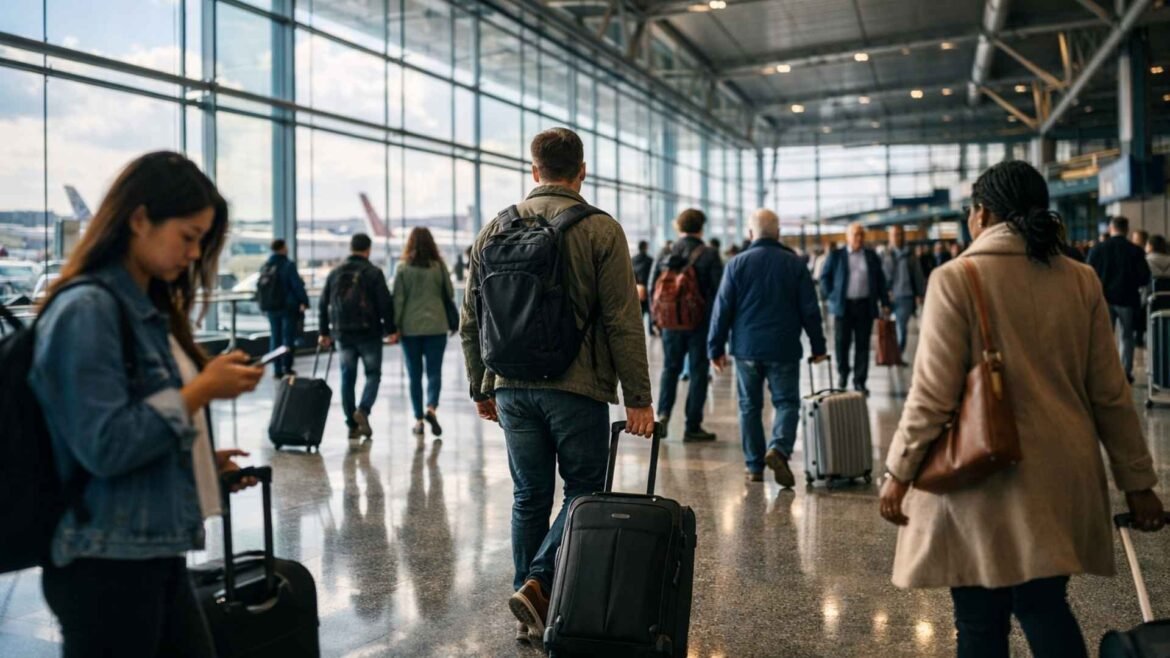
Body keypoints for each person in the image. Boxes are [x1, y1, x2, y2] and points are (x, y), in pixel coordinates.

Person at [879, 160, 1164, 658]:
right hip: (1060, 476)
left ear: (982, 214)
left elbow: (931, 396)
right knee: (1044, 608)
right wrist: (1138, 483)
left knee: (980, 623)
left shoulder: (956, 278)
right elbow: (1111, 395)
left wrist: (898, 472)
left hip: (981, 476)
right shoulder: (1079, 279)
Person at [28, 151, 263, 656]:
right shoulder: (87, 310)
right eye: (188, 236)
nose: (194, 255)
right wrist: (201, 390)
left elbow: (136, 432)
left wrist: (198, 468)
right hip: (106, 565)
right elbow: (105, 445)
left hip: (151, 552)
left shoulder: (145, 311)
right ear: (139, 220)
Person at [460, 127, 654, 644]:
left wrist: (482, 386)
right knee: (584, 492)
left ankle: (528, 613)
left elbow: (471, 318)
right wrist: (638, 398)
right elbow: (621, 320)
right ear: (582, 171)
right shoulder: (600, 230)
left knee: (529, 495)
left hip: (510, 387)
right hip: (577, 385)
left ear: (534, 169)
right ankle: (540, 583)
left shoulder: (492, 230)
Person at [708, 209, 828, 486]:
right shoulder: (795, 264)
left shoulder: (736, 264)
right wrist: (818, 345)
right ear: (778, 234)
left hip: (746, 348)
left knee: (749, 406)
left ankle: (754, 467)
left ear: (751, 234)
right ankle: (779, 448)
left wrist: (715, 348)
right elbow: (810, 310)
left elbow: (722, 310)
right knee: (786, 402)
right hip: (784, 346)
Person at [650, 208, 724, 441]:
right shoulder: (709, 254)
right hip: (699, 324)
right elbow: (719, 293)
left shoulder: (666, 250)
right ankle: (692, 426)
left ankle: (663, 415)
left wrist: (656, 319)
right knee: (698, 372)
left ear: (678, 228)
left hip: (670, 323)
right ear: (701, 228)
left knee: (670, 369)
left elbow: (654, 287)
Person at [318, 233, 398, 441]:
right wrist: (390, 330)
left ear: (351, 247)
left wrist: (323, 332)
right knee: (373, 374)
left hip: (342, 334)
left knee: (347, 377)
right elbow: (385, 304)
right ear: (368, 250)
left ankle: (351, 424)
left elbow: (322, 303)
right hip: (369, 333)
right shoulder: (373, 272)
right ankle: (363, 409)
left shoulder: (335, 273)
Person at [392, 227, 455, 438]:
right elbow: (450, 293)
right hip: (437, 326)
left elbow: (398, 300)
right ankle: (431, 408)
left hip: (410, 329)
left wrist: (396, 326)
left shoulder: (402, 268)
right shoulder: (438, 266)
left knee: (414, 374)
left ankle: (418, 420)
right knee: (434, 372)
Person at [819, 222, 889, 394]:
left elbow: (880, 280)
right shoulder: (836, 256)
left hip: (865, 306)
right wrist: (832, 296)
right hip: (844, 307)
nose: (859, 238)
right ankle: (843, 374)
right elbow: (824, 278)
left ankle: (860, 381)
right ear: (847, 237)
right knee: (841, 343)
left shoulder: (871, 256)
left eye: (861, 234)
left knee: (863, 345)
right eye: (855, 234)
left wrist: (885, 302)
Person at [1087, 216, 1150, 383]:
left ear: (1111, 228)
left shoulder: (1099, 249)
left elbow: (1088, 274)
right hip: (1127, 299)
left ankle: (1104, 373)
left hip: (1104, 299)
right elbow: (1144, 277)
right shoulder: (1135, 251)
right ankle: (1125, 372)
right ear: (1127, 229)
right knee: (1127, 336)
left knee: (1104, 337)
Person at [259, 239, 309, 378]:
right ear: (282, 248)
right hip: (287, 307)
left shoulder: (266, 265)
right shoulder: (288, 265)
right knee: (288, 337)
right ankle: (286, 367)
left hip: (271, 308)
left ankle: (276, 369)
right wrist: (304, 301)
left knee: (275, 338)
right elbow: (296, 285)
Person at [882, 226, 926, 355]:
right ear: (889, 237)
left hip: (906, 295)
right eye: (894, 235)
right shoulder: (885, 254)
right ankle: (892, 353)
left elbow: (918, 275)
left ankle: (898, 353)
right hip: (890, 296)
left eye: (899, 234)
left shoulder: (910, 255)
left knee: (901, 326)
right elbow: (880, 276)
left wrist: (920, 293)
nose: (897, 237)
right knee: (890, 327)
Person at [631, 240, 655, 335]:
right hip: (648, 288)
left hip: (637, 288)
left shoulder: (633, 259)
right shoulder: (650, 260)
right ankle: (650, 330)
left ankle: (637, 331)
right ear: (646, 247)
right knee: (649, 311)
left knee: (638, 312)